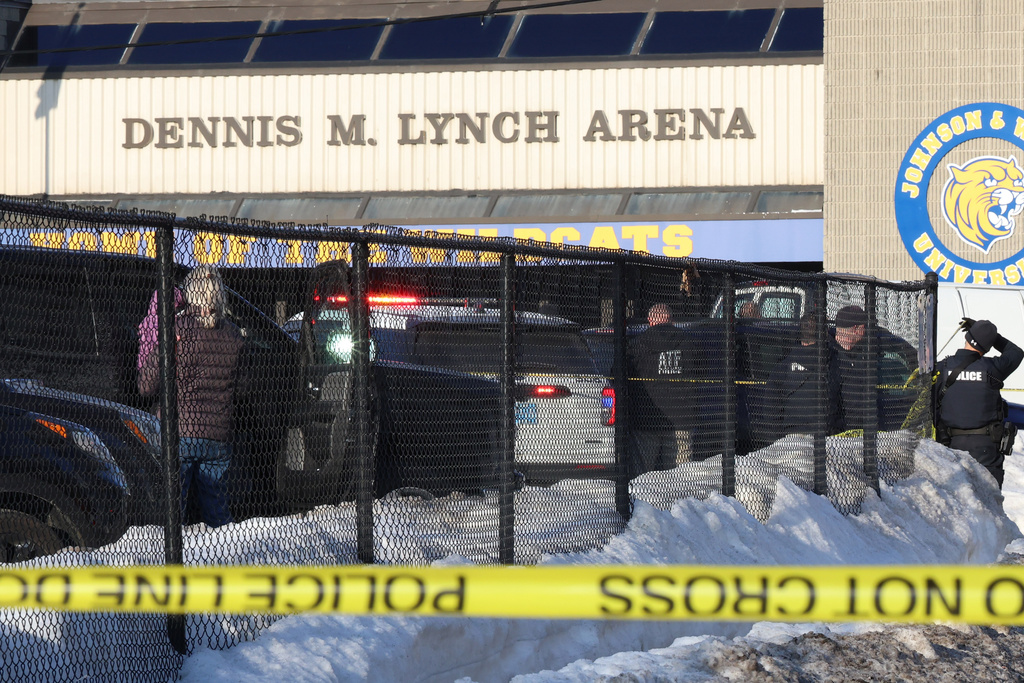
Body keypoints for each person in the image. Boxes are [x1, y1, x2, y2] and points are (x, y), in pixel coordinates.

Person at [138, 265, 246, 528]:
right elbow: (241, 387)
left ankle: (173, 559)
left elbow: (146, 386)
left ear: (191, 293)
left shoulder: (177, 329)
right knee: (217, 511)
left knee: (174, 509)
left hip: (179, 432)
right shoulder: (234, 334)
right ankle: (230, 555)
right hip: (218, 435)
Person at [935, 318, 1023, 488]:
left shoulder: (942, 367)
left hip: (951, 448)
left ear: (967, 337)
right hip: (986, 451)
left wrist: (976, 330)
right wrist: (993, 338)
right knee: (989, 508)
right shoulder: (992, 369)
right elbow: (1016, 352)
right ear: (987, 347)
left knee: (956, 507)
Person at [626, 303, 696, 474]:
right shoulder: (688, 342)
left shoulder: (637, 345)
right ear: (671, 320)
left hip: (647, 416)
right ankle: (681, 500)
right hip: (681, 416)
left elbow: (621, 372)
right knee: (681, 473)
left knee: (642, 473)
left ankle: (641, 500)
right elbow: (702, 369)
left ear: (650, 320)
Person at [767, 313, 843, 438]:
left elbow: (771, 406)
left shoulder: (784, 366)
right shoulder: (835, 364)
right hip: (827, 436)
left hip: (792, 438)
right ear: (824, 333)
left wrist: (778, 437)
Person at [831, 304, 871, 430]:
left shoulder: (864, 354)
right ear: (855, 329)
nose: (865, 332)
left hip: (862, 432)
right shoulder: (829, 356)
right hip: (837, 437)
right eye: (864, 328)